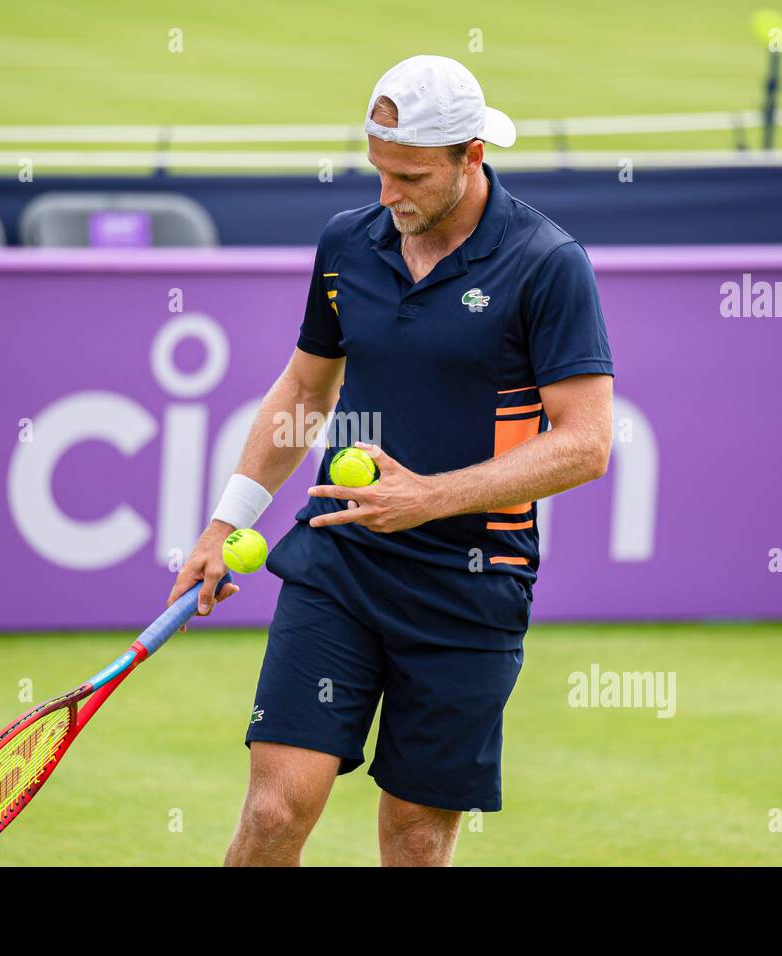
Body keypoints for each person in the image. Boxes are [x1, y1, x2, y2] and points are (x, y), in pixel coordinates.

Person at [167, 54, 614, 866]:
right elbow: (306, 388)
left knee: (414, 840)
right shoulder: (348, 244)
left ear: (472, 156)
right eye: (378, 171)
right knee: (272, 812)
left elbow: (586, 446)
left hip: (470, 586)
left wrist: (430, 498)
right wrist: (224, 520)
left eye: (408, 176)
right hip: (340, 560)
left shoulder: (549, 264)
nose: (386, 195)